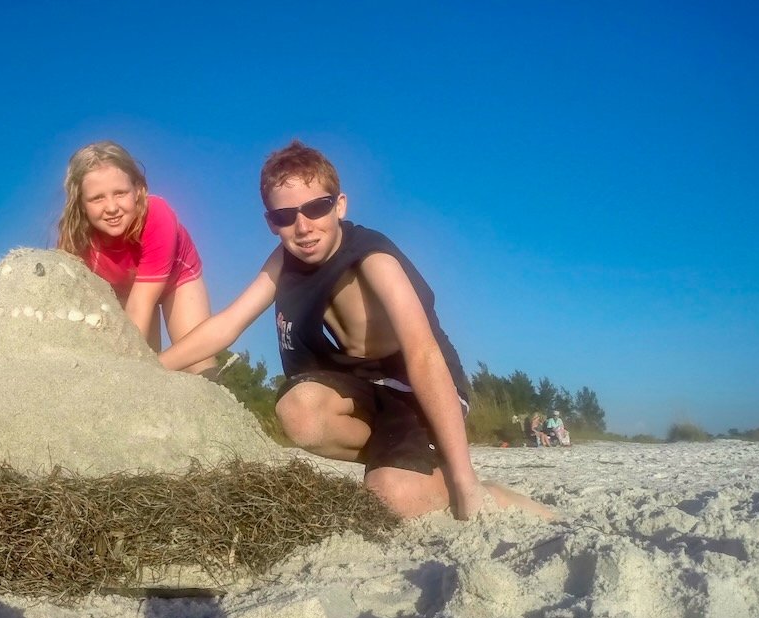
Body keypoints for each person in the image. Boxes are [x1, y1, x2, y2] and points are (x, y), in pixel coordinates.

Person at [159, 139, 551, 522]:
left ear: (340, 205)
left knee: (390, 498)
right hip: (364, 392)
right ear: (271, 223)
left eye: (317, 207)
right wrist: (151, 366)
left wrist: (466, 481)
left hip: (421, 390)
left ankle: (476, 488)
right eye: (286, 216)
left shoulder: (374, 260)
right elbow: (228, 324)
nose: (303, 226)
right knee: (298, 411)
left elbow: (425, 355)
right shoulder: (284, 261)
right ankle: (401, 462)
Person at [56, 141, 214, 373]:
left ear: (138, 189)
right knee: (142, 363)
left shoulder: (157, 215)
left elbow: (141, 303)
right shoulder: (76, 241)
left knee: (200, 368)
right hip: (123, 290)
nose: (111, 207)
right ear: (80, 204)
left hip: (176, 280)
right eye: (97, 198)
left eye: (120, 193)